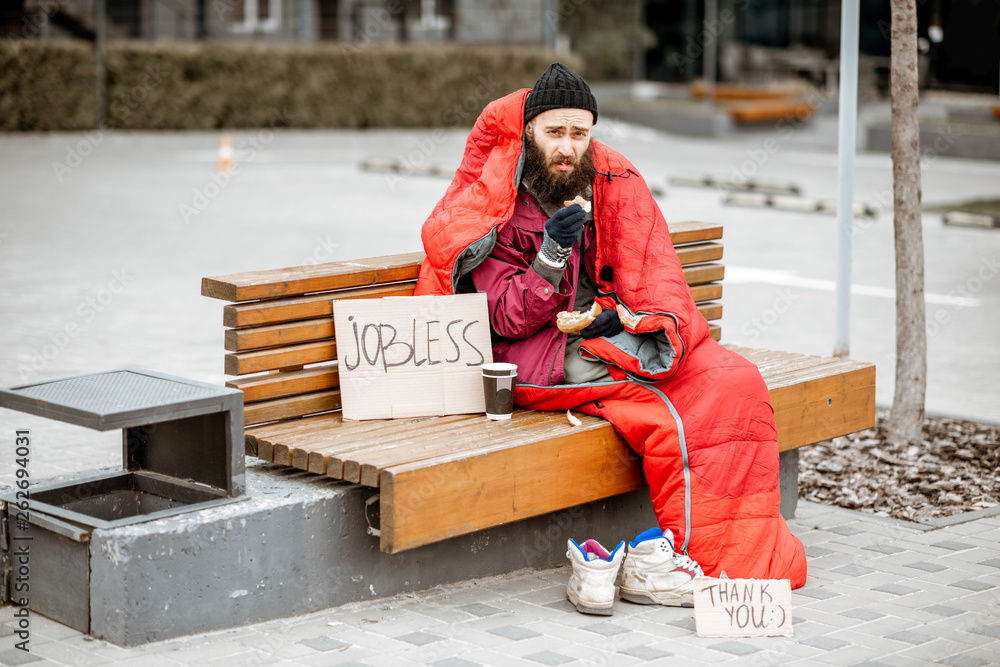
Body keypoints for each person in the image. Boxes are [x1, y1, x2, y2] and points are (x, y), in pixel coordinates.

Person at [415, 63, 807, 612]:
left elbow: (652, 271)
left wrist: (619, 317)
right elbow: (503, 318)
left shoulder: (607, 181)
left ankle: (748, 562)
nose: (568, 147)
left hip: (599, 338)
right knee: (669, 404)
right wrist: (550, 254)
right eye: (555, 132)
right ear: (528, 133)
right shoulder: (491, 207)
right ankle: (706, 562)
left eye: (580, 133)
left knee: (734, 378)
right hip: (532, 356)